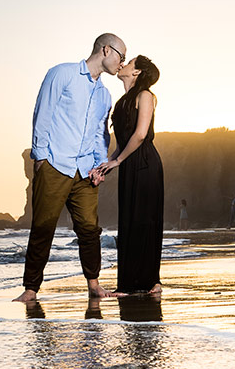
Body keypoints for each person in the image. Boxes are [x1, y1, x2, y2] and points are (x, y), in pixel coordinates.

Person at [14, 33, 127, 303]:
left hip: (86, 171)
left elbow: (101, 134)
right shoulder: (62, 74)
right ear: (106, 49)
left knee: (89, 230)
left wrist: (100, 166)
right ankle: (31, 289)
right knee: (43, 227)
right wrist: (40, 157)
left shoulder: (104, 94)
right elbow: (42, 113)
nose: (122, 63)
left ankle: (94, 284)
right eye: (121, 57)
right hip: (55, 163)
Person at [93, 55, 163, 295]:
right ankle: (132, 283)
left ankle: (148, 282)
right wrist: (108, 163)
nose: (124, 64)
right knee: (130, 220)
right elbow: (123, 139)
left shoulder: (145, 96)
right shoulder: (124, 99)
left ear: (137, 72)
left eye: (130, 62)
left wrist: (118, 161)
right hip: (129, 162)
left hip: (144, 163)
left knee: (144, 219)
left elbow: (141, 134)